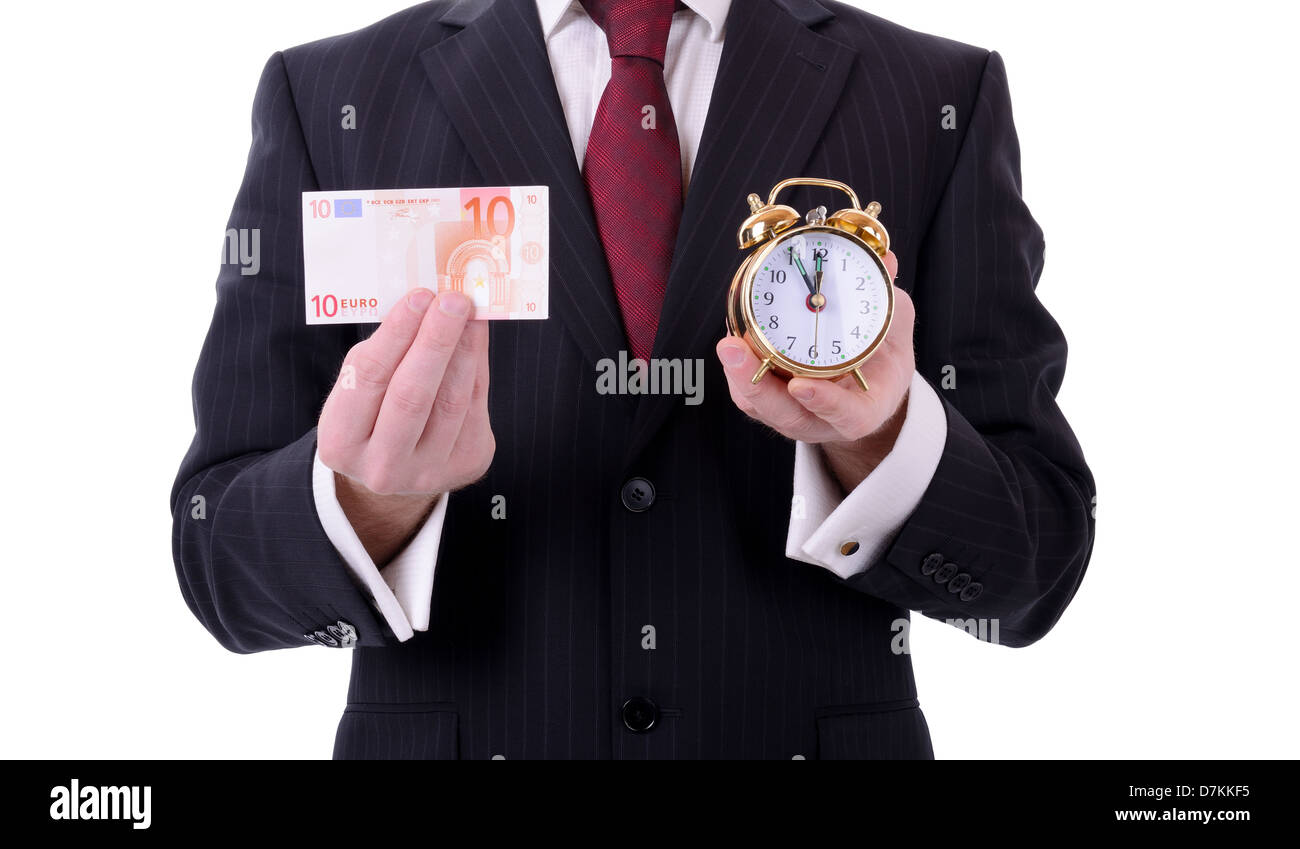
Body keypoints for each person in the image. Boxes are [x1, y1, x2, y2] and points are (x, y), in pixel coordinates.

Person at [171, 0, 1095, 759]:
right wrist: (366, 504)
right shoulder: (330, 93)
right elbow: (216, 563)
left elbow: (1034, 567)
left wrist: (882, 441)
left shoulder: (933, 92)